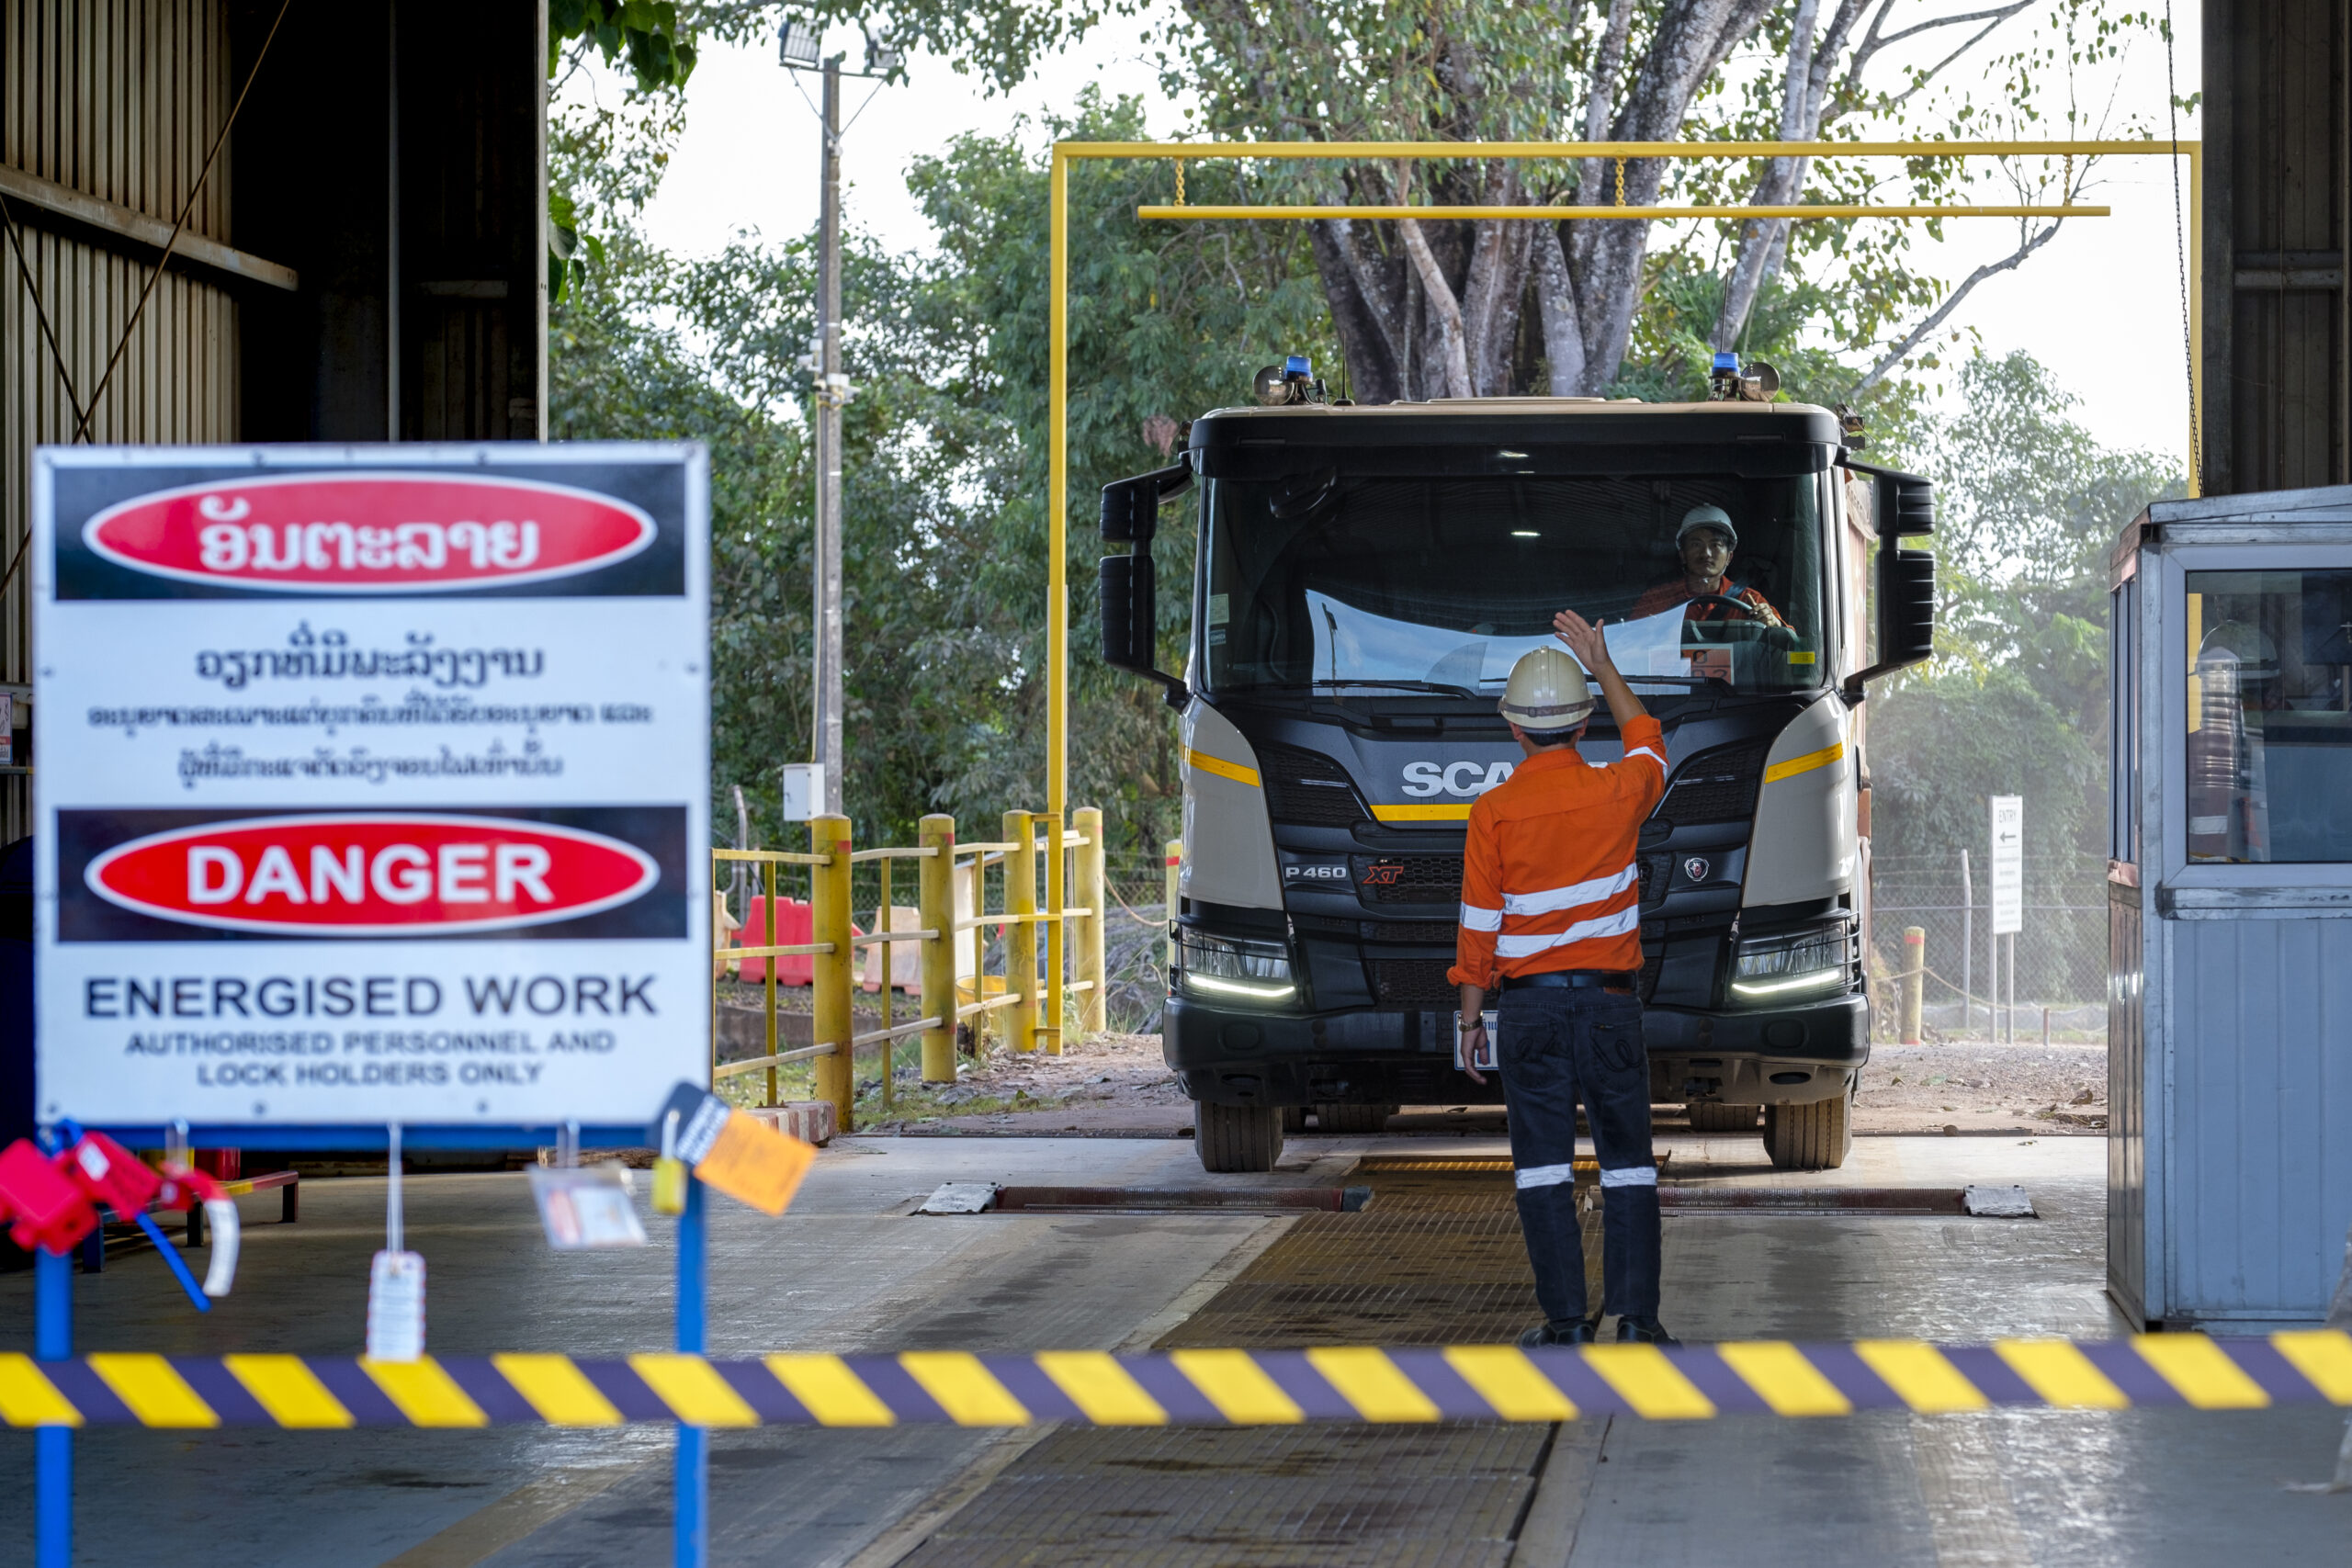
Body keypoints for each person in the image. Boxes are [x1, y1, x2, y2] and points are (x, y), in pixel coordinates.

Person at [1449, 621, 1674, 1347]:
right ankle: (1636, 1321)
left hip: (1530, 1013)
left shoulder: (1492, 813)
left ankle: (1567, 1323)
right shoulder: (1619, 791)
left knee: (1543, 1170)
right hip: (1611, 1006)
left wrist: (1470, 1022)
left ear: (1513, 728)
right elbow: (1649, 743)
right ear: (1582, 724)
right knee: (1628, 1166)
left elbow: (1478, 928)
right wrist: (1603, 666)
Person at [1631, 503, 1786, 628]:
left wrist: (1773, 624)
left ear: (1729, 557)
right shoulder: (1657, 600)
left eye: (1715, 545)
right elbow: (1630, 641)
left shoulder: (1749, 600)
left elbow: (1789, 643)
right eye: (1696, 544)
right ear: (1683, 555)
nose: (1706, 553)